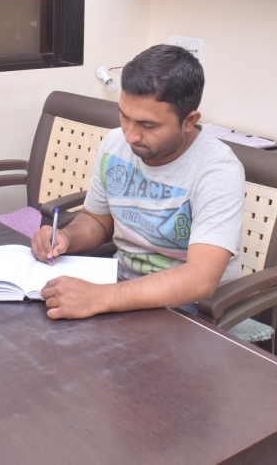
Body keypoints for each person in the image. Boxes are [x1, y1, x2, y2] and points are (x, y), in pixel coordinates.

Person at [30, 44, 245, 320]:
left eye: (148, 125)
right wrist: (65, 238)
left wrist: (99, 297)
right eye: (124, 116)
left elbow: (199, 279)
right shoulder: (115, 144)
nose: (130, 136)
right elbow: (96, 221)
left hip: (190, 311)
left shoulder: (217, 170)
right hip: (120, 291)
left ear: (189, 120)